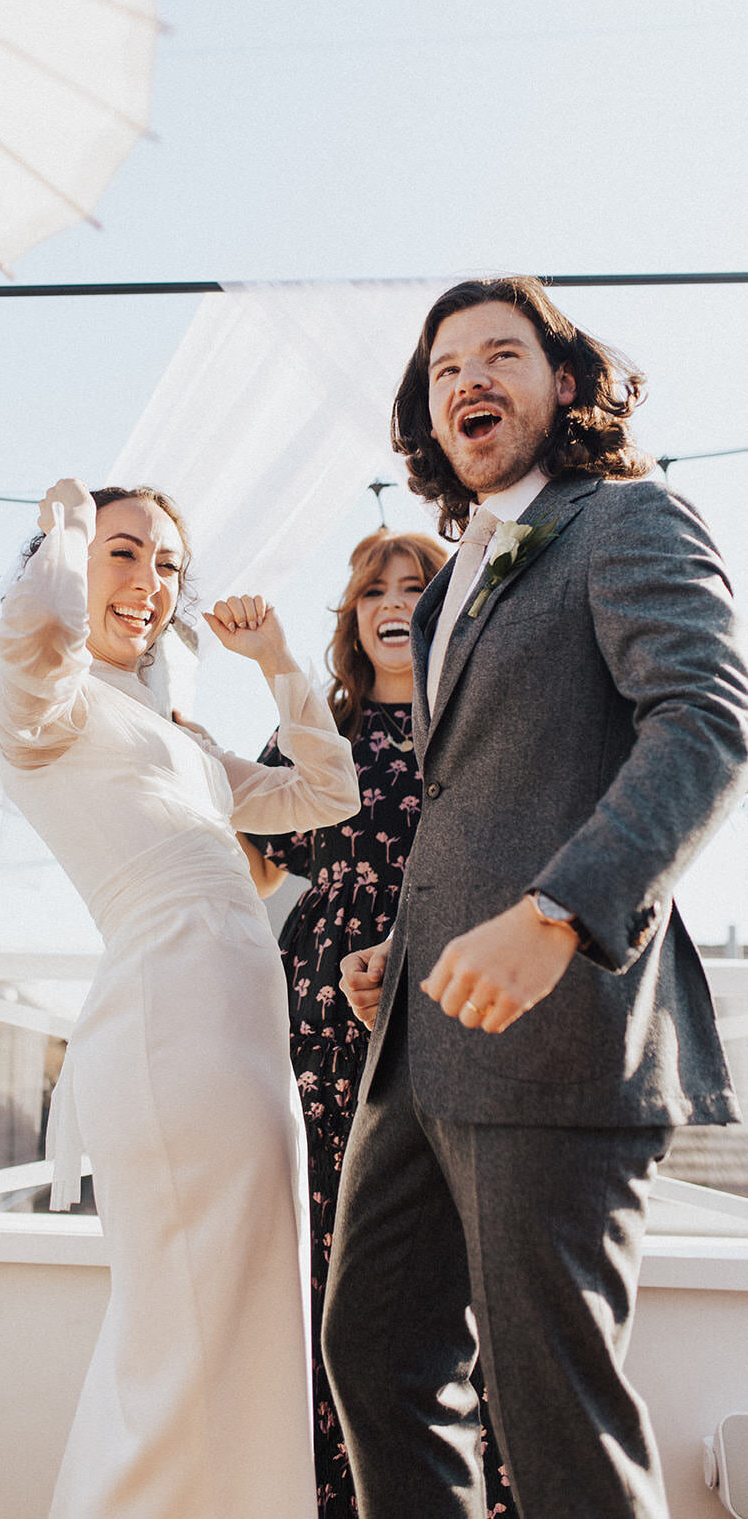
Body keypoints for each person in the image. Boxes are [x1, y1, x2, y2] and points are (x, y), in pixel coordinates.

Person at [324, 276, 748, 1519]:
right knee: (378, 1361)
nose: (467, 377)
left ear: (563, 383)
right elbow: (475, 800)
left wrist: (558, 912)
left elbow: (705, 721)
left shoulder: (628, 518)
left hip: (559, 1039)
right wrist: (399, 953)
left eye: (499, 354)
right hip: (418, 1045)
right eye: (444, 363)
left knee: (551, 1406)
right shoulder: (451, 577)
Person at [0, 478, 359, 1519]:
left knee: (248, 1317)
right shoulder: (44, 710)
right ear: (65, 567)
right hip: (166, 1027)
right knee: (177, 1333)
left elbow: (324, 795)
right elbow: (32, 644)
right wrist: (63, 540)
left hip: (243, 1030)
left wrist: (281, 661)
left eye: (165, 566)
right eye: (123, 553)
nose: (148, 584)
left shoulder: (180, 735)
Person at [243, 528, 516, 1519]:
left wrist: (408, 959)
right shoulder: (317, 728)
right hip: (320, 1036)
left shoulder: (481, 724)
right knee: (333, 1285)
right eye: (373, 590)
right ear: (352, 618)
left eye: (416, 584)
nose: (393, 600)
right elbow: (244, 871)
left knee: (460, 1293)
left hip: (453, 1019)